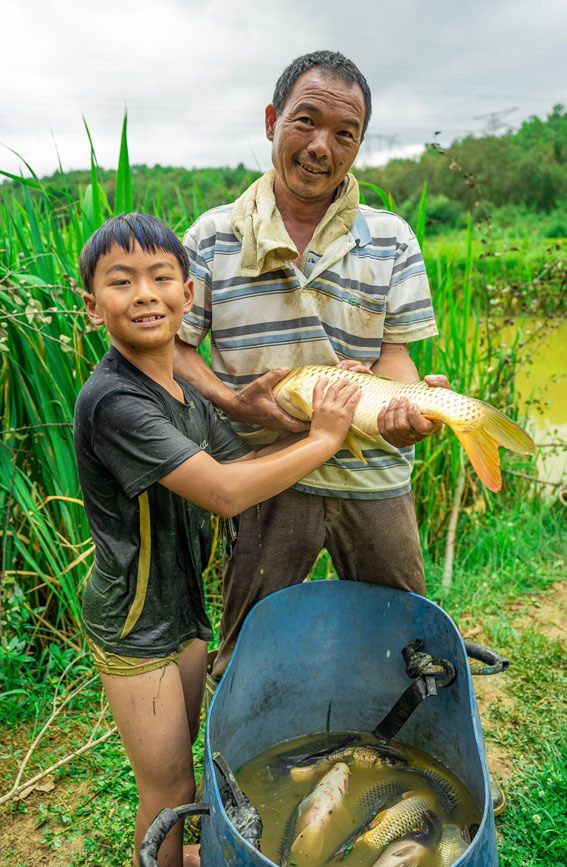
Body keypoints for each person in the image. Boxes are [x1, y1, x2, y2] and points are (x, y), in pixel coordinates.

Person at [73, 213, 362, 867]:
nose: (144, 293)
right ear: (93, 307)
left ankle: (180, 857)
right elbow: (224, 493)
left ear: (188, 294)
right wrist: (324, 439)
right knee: (168, 784)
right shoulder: (116, 402)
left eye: (160, 276)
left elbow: (243, 468)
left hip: (182, 607)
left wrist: (334, 403)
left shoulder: (184, 394)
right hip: (133, 621)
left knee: (187, 766)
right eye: (121, 281)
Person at [174, 49, 449, 682]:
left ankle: (396, 749)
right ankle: (245, 758)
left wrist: (404, 410)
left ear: (358, 145)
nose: (321, 146)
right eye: (306, 121)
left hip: (374, 474)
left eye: (343, 133)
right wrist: (232, 399)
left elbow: (396, 359)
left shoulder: (391, 238)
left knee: (405, 640)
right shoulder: (212, 236)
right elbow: (178, 348)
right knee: (249, 649)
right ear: (272, 120)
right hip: (266, 469)